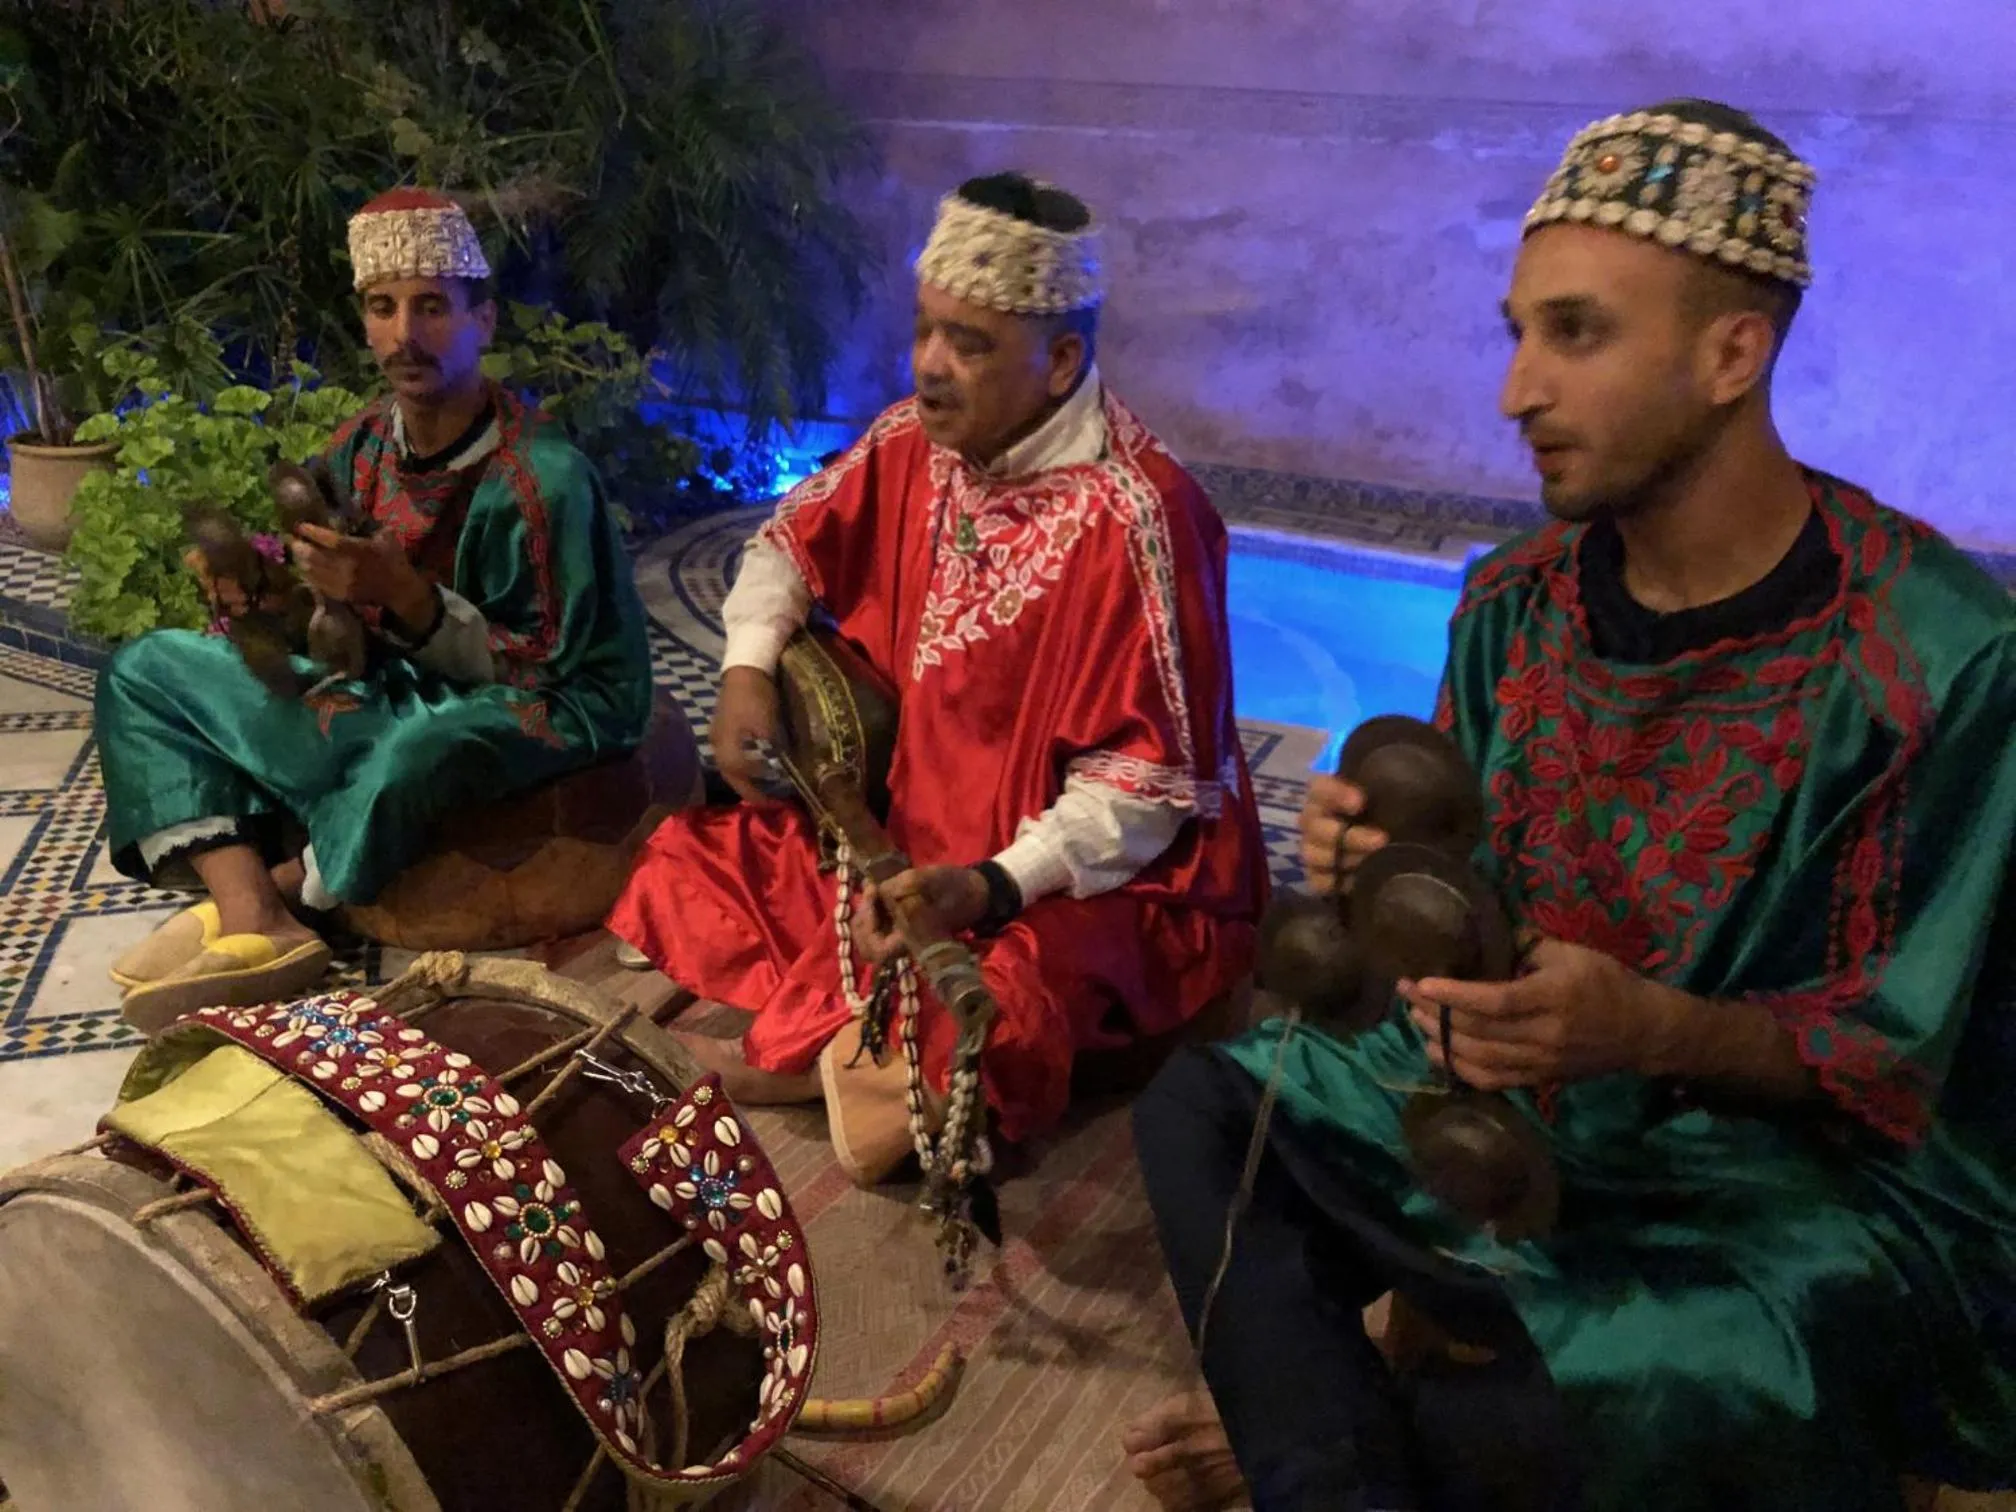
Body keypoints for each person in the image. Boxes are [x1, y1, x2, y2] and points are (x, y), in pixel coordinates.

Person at [1123, 99, 2016, 1512]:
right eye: (1517, 332)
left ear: (1734, 352)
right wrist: (1380, 873)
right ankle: (1350, 1451)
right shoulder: (1510, 601)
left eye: (1577, 334)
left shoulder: (1938, 657)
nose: (1514, 390)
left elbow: (1903, 1061)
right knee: (1203, 1102)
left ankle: (1346, 1429)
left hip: (1770, 1195)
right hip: (1526, 1121)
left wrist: (1653, 1029)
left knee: (1679, 1379)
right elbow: (1466, 914)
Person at [608, 172, 1268, 1182]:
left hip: (1090, 881)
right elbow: (789, 541)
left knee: (998, 1008)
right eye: (926, 331)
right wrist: (746, 668)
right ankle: (850, 1055)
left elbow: (1142, 795)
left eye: (970, 344)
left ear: (1060, 362)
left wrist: (995, 883)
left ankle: (803, 1066)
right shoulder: (917, 443)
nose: (929, 368)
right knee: (686, 863)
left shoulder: (1144, 520)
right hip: (915, 849)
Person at [98, 187, 653, 1024]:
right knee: (146, 669)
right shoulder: (357, 447)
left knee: (417, 749)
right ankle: (252, 909)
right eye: (383, 308)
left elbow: (554, 665)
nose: (404, 335)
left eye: (432, 307)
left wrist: (405, 598)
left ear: (484, 323)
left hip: (538, 700)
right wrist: (263, 595)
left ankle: (297, 887)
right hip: (380, 682)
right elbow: (322, 617)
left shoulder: (542, 479)